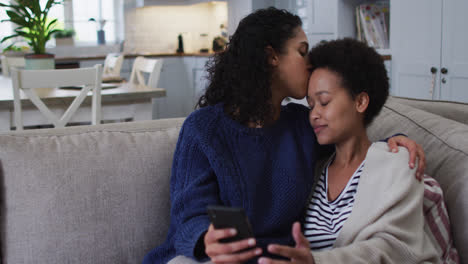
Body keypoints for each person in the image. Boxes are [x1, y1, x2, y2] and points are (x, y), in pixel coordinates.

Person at [142, 8, 425, 264]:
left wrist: (394, 140)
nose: (310, 63)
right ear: (271, 57)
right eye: (302, 52)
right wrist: (207, 240)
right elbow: (187, 215)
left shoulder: (303, 126)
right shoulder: (204, 129)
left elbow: (351, 139)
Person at [257, 38, 439, 263]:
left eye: (324, 102)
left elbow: (395, 248)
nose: (313, 114)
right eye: (311, 105)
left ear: (360, 102)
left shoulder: (399, 163)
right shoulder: (313, 171)